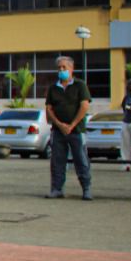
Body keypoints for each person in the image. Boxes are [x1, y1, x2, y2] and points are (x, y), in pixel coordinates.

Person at [45, 55, 92, 200]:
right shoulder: (53, 88)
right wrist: (59, 124)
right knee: (57, 161)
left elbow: (84, 106)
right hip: (58, 131)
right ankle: (57, 189)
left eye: (64, 67)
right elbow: (48, 108)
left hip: (76, 131)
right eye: (59, 68)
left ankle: (86, 189)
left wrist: (71, 125)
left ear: (71, 69)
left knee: (81, 160)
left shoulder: (80, 85)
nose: (61, 70)